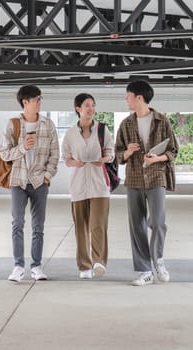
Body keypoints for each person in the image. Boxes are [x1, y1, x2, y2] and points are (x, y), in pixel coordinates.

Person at [115, 80, 178, 286]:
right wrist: (128, 152)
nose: (126, 99)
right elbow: (118, 155)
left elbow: (173, 150)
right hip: (133, 178)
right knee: (137, 225)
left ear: (139, 97)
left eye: (128, 95)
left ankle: (158, 259)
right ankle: (144, 270)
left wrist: (157, 159)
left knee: (158, 222)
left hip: (156, 176)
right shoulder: (126, 124)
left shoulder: (162, 120)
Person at [0, 85, 59, 283]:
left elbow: (54, 154)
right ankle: (18, 266)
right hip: (18, 181)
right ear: (25, 102)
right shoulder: (13, 124)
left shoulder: (48, 124)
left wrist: (47, 176)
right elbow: (4, 153)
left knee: (38, 226)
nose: (40, 102)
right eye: (37, 99)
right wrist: (23, 147)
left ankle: (36, 266)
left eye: (40, 99)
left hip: (40, 181)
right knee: (17, 223)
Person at [62, 93, 115, 279]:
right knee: (81, 227)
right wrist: (72, 162)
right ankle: (84, 266)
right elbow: (65, 158)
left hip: (99, 184)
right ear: (78, 108)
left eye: (93, 105)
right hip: (78, 185)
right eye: (87, 105)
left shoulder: (102, 130)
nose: (91, 108)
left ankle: (99, 261)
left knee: (97, 225)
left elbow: (111, 151)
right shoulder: (69, 134)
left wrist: (106, 158)